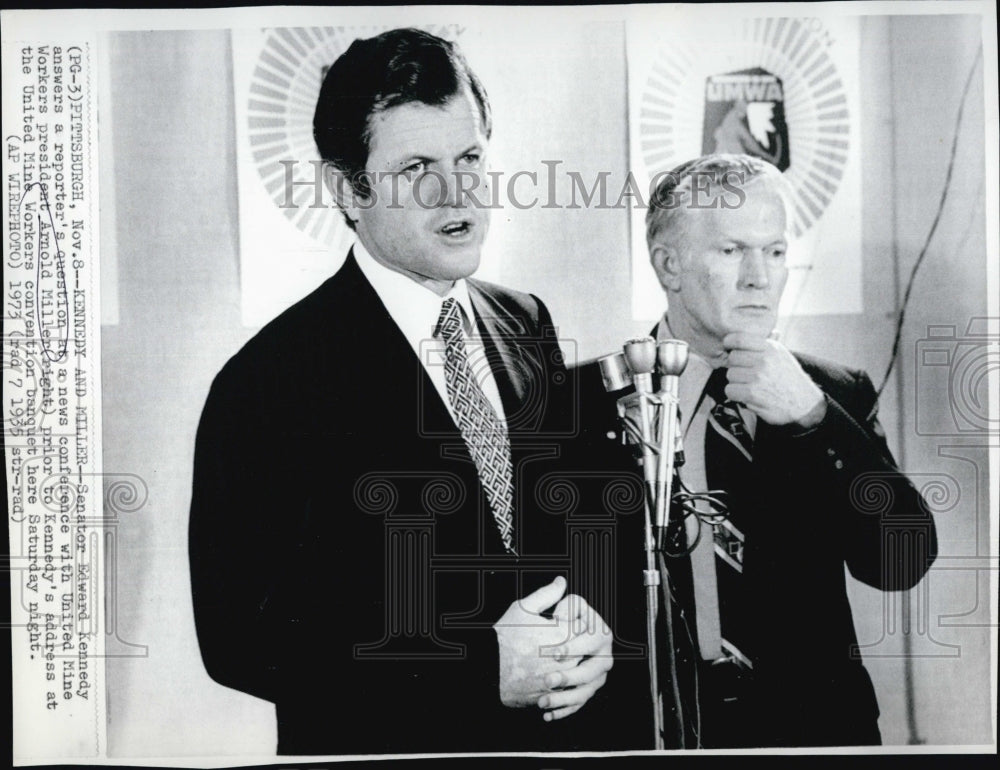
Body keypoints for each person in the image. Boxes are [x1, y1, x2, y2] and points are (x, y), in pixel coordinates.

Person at [188, 28, 615, 755]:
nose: (458, 194)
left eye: (470, 157)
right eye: (417, 166)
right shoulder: (266, 384)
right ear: (347, 190)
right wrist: (478, 667)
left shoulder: (527, 323)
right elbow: (238, 641)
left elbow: (556, 542)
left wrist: (591, 627)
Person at [573, 153, 938, 748]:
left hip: (812, 733)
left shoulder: (834, 392)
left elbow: (902, 559)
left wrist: (814, 420)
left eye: (774, 252)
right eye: (731, 250)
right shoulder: (582, 402)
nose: (759, 277)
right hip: (646, 736)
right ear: (669, 265)